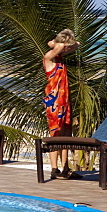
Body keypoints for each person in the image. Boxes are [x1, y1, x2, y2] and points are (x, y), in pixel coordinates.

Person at [43, 28, 80, 179]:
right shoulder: (49, 59)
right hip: (54, 101)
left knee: (66, 133)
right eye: (64, 46)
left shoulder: (60, 57)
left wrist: (57, 44)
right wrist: (55, 44)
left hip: (64, 100)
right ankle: (54, 168)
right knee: (55, 132)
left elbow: (77, 44)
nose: (66, 49)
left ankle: (65, 167)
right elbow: (53, 48)